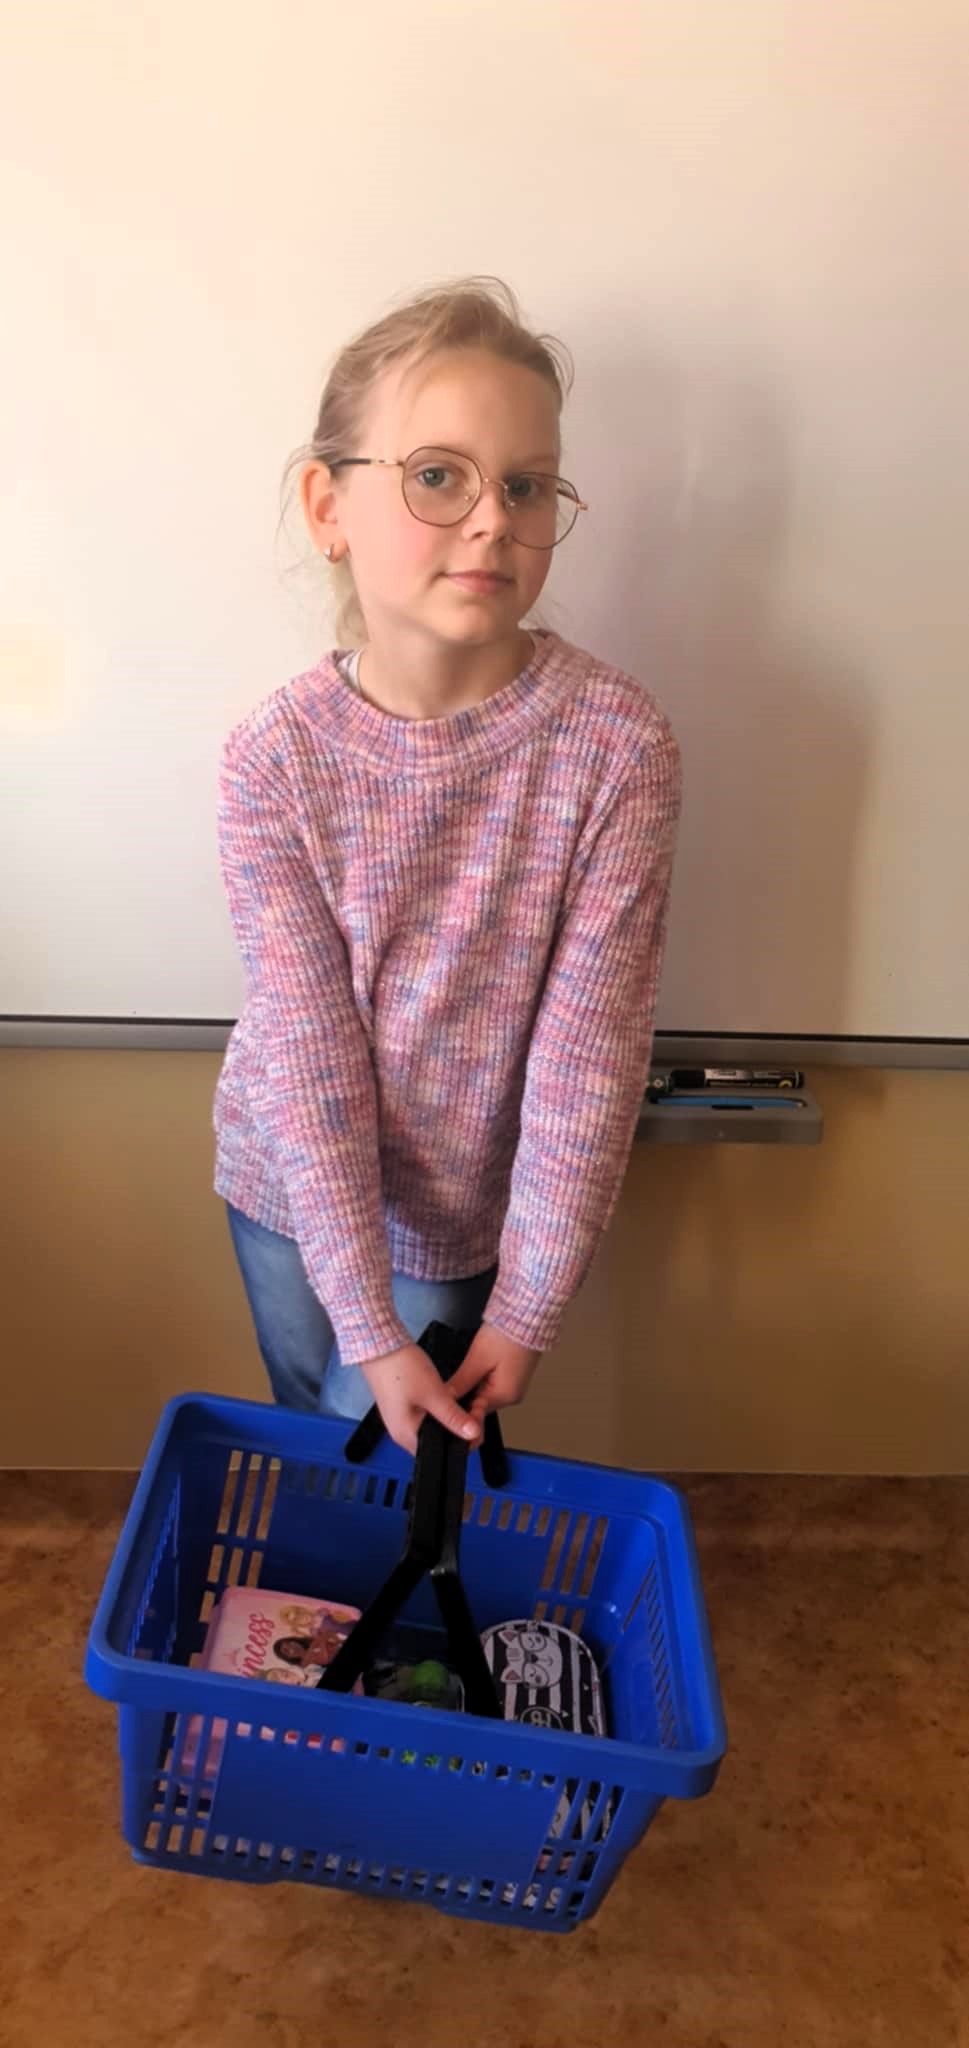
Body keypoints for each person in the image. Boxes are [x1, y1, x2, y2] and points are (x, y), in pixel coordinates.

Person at [216, 275, 682, 1456]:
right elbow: (307, 1050)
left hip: (460, 1218)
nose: (491, 521)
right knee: (314, 1429)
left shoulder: (617, 746)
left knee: (401, 1467)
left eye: (525, 485)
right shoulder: (274, 759)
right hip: (286, 1186)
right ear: (329, 505)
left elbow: (591, 1052)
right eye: (438, 475)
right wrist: (364, 1323)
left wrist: (527, 1302)